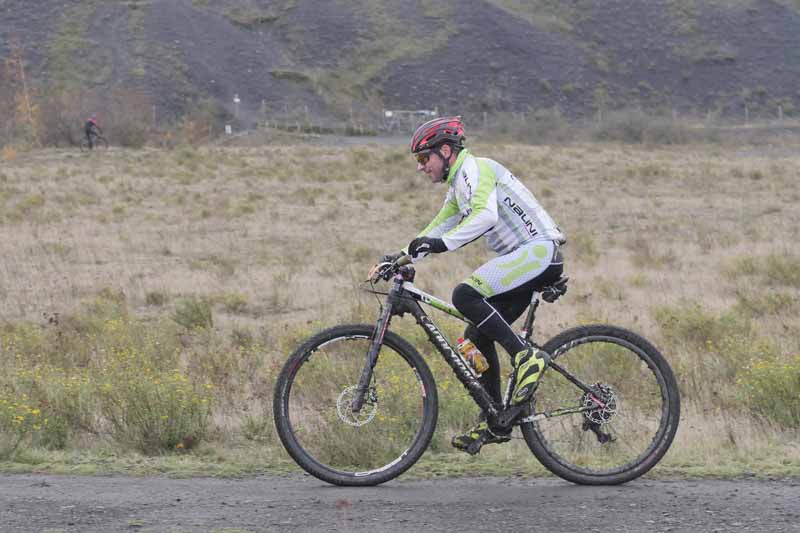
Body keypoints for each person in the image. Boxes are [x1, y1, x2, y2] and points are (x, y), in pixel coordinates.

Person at [380, 116, 566, 455]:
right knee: (475, 339)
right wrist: (400, 257)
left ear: (445, 151)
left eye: (424, 158)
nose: (420, 167)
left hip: (538, 251)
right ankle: (496, 419)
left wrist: (441, 245)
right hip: (527, 258)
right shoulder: (458, 185)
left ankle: (526, 358)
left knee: (464, 294)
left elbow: (485, 216)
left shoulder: (475, 169)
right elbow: (437, 227)